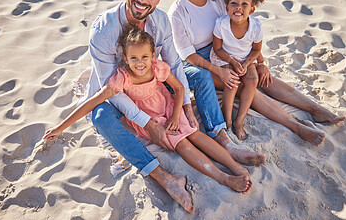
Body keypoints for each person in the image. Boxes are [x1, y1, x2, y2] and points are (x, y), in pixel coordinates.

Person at [168, 0, 346, 148]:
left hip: (229, 50)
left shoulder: (219, 0)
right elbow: (187, 55)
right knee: (245, 86)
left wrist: (261, 61)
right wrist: (219, 71)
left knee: (263, 77)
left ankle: (315, 109)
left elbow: (242, 33)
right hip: (201, 61)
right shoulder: (177, 11)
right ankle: (295, 126)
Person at [44, 25, 252, 194]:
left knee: (195, 135)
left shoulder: (157, 68)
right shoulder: (121, 78)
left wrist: (177, 113)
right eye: (133, 58)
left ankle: (235, 167)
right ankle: (224, 178)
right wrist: (60, 128)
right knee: (183, 144)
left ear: (153, 55)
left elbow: (179, 88)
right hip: (151, 119)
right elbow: (91, 102)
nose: (140, 63)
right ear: (125, 58)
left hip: (169, 107)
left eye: (144, 57)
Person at [210, 0, 266, 140]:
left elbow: (256, 50)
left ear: (252, 9)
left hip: (246, 59)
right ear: (227, 7)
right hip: (224, 58)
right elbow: (217, 48)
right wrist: (232, 61)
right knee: (232, 81)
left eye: (244, 4)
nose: (238, 8)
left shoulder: (256, 27)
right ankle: (227, 120)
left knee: (252, 79)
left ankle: (239, 120)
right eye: (234, 3)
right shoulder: (221, 24)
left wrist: (248, 62)